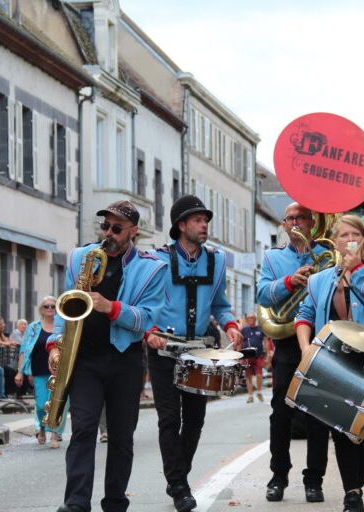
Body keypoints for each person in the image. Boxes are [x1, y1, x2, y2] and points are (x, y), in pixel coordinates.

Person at [50, 200, 168, 512]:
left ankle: (115, 501)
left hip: (125, 359)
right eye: (105, 226)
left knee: (120, 436)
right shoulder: (80, 257)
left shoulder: (152, 267)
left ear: (134, 230)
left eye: (117, 228)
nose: (109, 233)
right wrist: (55, 342)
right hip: (84, 358)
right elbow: (66, 304)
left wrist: (111, 307)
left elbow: (147, 318)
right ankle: (75, 503)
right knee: (84, 428)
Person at [295, 214, 364, 512]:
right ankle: (352, 493)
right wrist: (305, 347)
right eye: (343, 235)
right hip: (333, 357)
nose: (350, 239)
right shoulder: (319, 279)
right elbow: (304, 315)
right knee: (340, 425)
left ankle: (356, 488)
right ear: (336, 241)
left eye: (356, 234)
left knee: (359, 427)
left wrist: (359, 271)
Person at [144, 195, 243, 512]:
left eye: (206, 220)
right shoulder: (156, 260)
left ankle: (179, 475)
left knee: (196, 419)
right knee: (169, 419)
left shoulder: (215, 262)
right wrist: (149, 332)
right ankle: (178, 486)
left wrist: (230, 325)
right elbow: (145, 304)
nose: (205, 225)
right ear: (181, 225)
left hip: (201, 348)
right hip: (164, 349)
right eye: (198, 220)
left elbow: (221, 305)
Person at [257, 202, 330, 504]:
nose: (296, 223)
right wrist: (290, 282)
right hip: (287, 342)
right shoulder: (273, 258)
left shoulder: (326, 256)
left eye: (302, 217)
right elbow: (262, 294)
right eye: (290, 218)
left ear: (312, 222)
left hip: (321, 339)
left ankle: (314, 480)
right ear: (284, 225)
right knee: (281, 413)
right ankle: (278, 476)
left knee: (318, 414)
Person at [16, 296, 66, 449]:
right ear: (41, 309)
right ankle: (42, 427)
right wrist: (20, 372)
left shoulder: (63, 324)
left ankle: (54, 434)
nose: (50, 309)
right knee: (40, 404)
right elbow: (24, 349)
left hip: (60, 370)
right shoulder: (33, 327)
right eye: (46, 306)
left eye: (53, 306)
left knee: (58, 403)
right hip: (39, 370)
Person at [241, 312, 266, 403]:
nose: (251, 319)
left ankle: (259, 392)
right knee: (248, 376)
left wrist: (268, 354)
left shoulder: (260, 329)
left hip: (258, 355)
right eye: (249, 318)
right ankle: (250, 395)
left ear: (255, 319)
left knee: (259, 374)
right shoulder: (244, 330)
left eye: (253, 318)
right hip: (247, 356)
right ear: (247, 319)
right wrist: (238, 355)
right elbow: (240, 342)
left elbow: (266, 341)